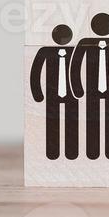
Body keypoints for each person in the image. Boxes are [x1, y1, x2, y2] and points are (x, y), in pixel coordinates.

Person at [70, 13, 109, 160]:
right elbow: (76, 65)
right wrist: (77, 87)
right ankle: (92, 152)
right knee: (92, 119)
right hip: (91, 87)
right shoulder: (85, 42)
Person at [28, 24, 78, 160]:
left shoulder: (75, 52)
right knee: (52, 124)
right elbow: (35, 72)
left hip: (71, 94)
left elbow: (80, 72)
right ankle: (52, 153)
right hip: (52, 94)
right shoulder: (45, 51)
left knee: (72, 123)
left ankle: (72, 152)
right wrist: (38, 94)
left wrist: (79, 91)